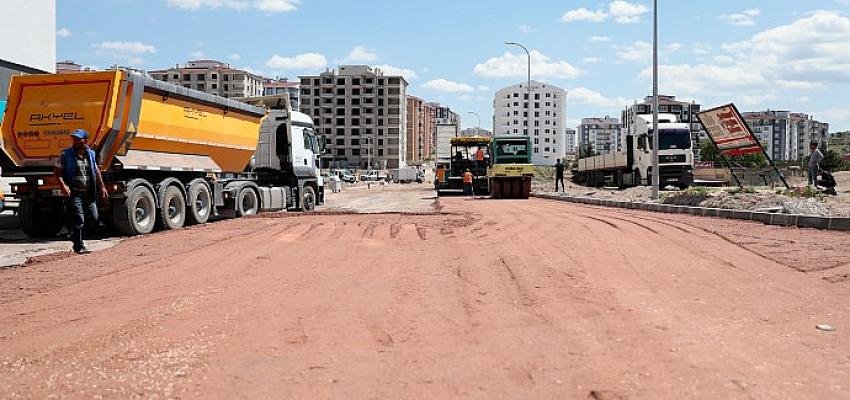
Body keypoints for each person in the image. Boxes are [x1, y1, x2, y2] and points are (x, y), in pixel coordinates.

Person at [54, 129, 108, 254]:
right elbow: (57, 172)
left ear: (85, 140)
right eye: (74, 139)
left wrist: (102, 187)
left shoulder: (91, 154)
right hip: (74, 192)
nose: (75, 141)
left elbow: (96, 171)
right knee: (79, 219)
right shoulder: (65, 154)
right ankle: (78, 245)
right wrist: (63, 186)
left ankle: (74, 232)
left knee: (94, 218)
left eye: (78, 139)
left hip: (88, 192)